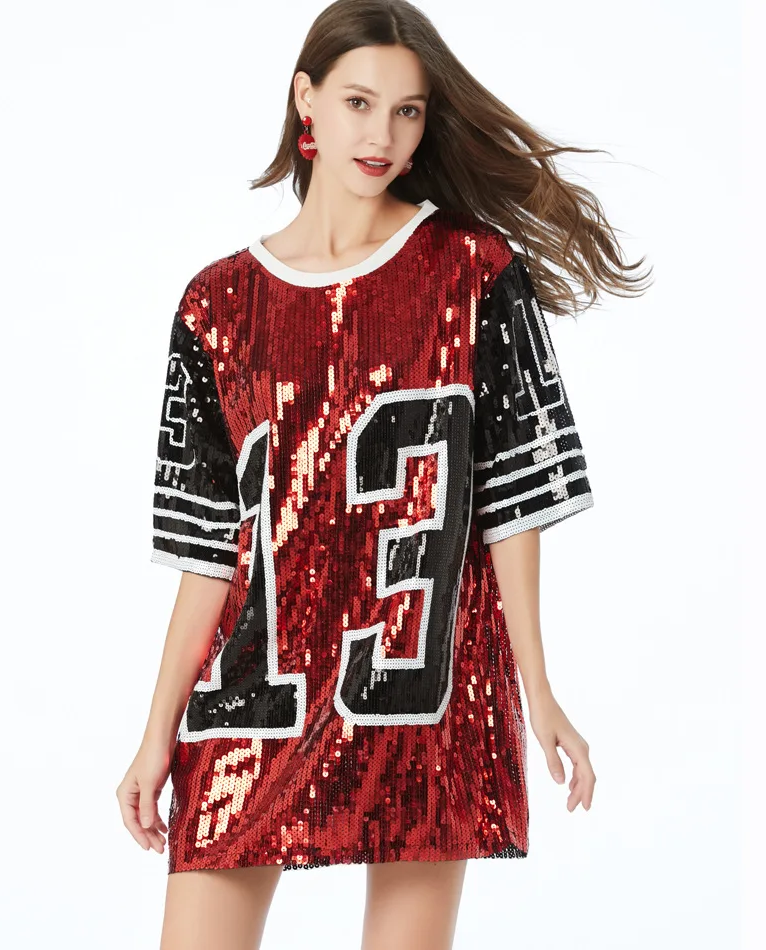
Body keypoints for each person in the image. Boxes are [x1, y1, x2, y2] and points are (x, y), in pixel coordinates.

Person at [116, 2, 652, 947]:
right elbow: (209, 551)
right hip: (253, 698)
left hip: (418, 690)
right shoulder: (215, 302)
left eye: (408, 111)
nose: (383, 135)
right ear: (306, 99)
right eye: (359, 102)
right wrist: (157, 733)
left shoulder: (476, 272)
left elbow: (511, 503)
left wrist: (538, 691)